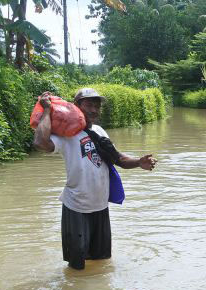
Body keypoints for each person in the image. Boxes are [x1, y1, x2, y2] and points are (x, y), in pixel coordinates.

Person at [33, 88, 157, 270]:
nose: (94, 110)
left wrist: (139, 162)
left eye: (97, 106)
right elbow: (40, 143)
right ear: (76, 107)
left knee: (102, 262)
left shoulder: (99, 131)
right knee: (76, 266)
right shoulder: (66, 134)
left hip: (100, 206)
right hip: (76, 206)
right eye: (89, 105)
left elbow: (118, 158)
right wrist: (47, 111)